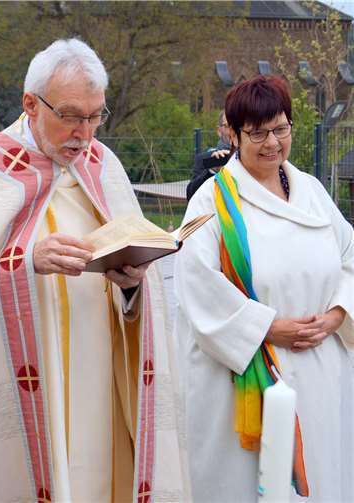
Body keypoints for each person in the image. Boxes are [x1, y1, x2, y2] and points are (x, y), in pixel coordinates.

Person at [0, 39, 189, 502]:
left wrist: (132, 286)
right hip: (19, 389)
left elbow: (140, 291)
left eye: (96, 116)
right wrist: (24, 263)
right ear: (30, 104)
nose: (85, 133)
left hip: (100, 385)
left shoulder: (104, 166)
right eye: (72, 116)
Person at [174, 75, 353, 501]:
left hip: (320, 368)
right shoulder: (213, 202)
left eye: (280, 129)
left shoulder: (311, 190)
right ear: (233, 135)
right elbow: (196, 285)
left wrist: (336, 315)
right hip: (248, 373)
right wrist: (269, 328)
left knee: (324, 475)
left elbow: (350, 257)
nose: (272, 143)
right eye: (257, 133)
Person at [186, 110, 232, 200]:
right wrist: (212, 171)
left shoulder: (253, 158)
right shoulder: (206, 159)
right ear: (219, 131)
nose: (233, 130)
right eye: (228, 125)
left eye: (238, 125)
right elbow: (190, 195)